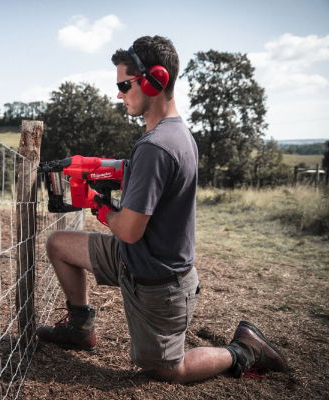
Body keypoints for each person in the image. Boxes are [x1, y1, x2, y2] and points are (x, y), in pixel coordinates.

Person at [36, 35, 287, 383]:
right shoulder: (176, 134)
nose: (119, 94)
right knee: (59, 244)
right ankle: (80, 327)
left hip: (158, 282)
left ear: (156, 80)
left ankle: (243, 350)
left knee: (167, 369)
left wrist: (97, 203)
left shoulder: (155, 147)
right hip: (135, 258)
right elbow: (143, 177)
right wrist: (95, 166)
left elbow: (128, 229)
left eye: (125, 84)